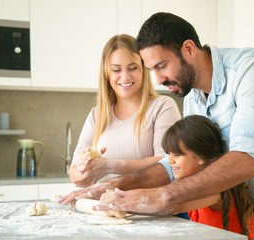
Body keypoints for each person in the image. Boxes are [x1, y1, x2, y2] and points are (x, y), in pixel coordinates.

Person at [63, 13, 254, 240]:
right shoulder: (193, 100)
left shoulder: (251, 70)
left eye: (161, 66)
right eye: (151, 70)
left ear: (188, 49)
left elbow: (249, 159)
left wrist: (161, 197)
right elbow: (173, 165)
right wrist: (117, 186)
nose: (158, 80)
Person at [67, 34, 181, 189]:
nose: (125, 77)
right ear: (107, 74)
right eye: (116, 69)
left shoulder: (163, 106)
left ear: (143, 70)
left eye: (133, 68)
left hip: (150, 210)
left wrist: (111, 166)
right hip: (105, 208)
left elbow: (167, 162)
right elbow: (73, 171)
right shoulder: (97, 115)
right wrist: (84, 167)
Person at [161, 115, 254, 240]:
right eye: (168, 153)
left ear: (200, 157)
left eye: (177, 154)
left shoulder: (214, 188)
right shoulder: (191, 179)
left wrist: (130, 202)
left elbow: (174, 205)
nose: (169, 160)